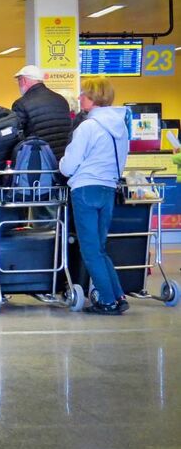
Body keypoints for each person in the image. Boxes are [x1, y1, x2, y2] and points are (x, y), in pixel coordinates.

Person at [59, 77, 129, 316]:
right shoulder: (121, 128)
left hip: (85, 189)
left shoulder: (87, 127)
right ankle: (118, 295)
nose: (80, 98)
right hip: (108, 188)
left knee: (90, 250)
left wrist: (62, 164)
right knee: (99, 248)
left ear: (94, 97)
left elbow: (68, 166)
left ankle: (108, 301)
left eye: (83, 94)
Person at [11, 64, 72, 159]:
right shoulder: (61, 100)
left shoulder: (21, 104)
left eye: (19, 80)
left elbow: (16, 135)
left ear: (24, 80)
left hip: (38, 159)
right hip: (62, 158)